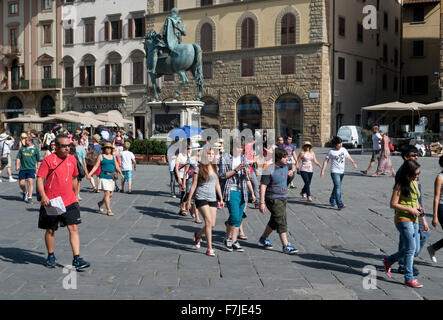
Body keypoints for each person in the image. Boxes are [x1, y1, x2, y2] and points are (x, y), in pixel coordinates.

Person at [36, 134, 90, 270]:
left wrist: (76, 196)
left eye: (69, 146)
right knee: (50, 230)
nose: (67, 148)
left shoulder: (72, 159)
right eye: (64, 146)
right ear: (56, 146)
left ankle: (77, 258)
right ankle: (51, 255)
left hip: (70, 200)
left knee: (74, 228)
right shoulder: (49, 160)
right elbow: (40, 179)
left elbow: (75, 178)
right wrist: (43, 196)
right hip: (52, 201)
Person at [383, 160, 425, 288]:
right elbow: (392, 204)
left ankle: (389, 260)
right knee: (411, 249)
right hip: (402, 219)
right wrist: (409, 209)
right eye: (415, 174)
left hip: (415, 219)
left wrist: (423, 218)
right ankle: (409, 278)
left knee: (415, 249)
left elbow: (416, 200)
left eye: (418, 173)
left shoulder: (414, 183)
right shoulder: (400, 185)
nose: (417, 176)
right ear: (408, 173)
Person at [395, 145, 429, 275]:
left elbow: (416, 191)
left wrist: (420, 205)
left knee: (411, 238)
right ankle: (404, 263)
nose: (416, 157)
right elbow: (399, 197)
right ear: (405, 157)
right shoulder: (403, 173)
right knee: (413, 239)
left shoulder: (414, 170)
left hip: (417, 209)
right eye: (413, 155)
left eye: (417, 155)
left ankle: (403, 261)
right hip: (408, 212)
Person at [258, 147, 298, 254]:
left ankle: (263, 238)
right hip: (272, 198)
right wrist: (261, 202)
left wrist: (292, 171)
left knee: (275, 220)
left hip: (283, 197)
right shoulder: (268, 169)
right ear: (278, 158)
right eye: (284, 157)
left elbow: (294, 166)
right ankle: (285, 245)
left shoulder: (286, 166)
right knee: (281, 220)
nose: (287, 159)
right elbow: (263, 186)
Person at [219, 142, 256, 252]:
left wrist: (252, 193)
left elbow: (247, 178)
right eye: (238, 147)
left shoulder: (243, 158)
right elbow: (222, 175)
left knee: (239, 218)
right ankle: (227, 238)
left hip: (243, 191)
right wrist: (236, 169)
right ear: (233, 147)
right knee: (234, 216)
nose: (240, 150)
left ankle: (234, 241)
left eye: (241, 148)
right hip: (231, 190)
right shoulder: (224, 158)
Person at [187, 147, 224, 256]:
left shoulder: (214, 167)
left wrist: (221, 198)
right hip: (201, 196)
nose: (211, 156)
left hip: (212, 197)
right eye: (209, 154)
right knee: (208, 222)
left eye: (212, 154)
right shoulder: (199, 168)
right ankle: (209, 248)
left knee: (212, 224)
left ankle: (198, 235)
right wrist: (189, 201)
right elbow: (194, 185)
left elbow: (217, 184)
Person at [321, 136, 357, 210]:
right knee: (338, 187)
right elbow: (326, 161)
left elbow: (348, 156)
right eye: (338, 144)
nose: (340, 145)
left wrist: (353, 162)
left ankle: (331, 199)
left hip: (342, 172)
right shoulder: (331, 151)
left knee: (336, 187)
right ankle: (339, 203)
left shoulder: (343, 150)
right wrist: (323, 170)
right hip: (334, 172)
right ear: (335, 144)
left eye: (341, 143)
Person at [87, 142, 124, 216]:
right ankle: (109, 210)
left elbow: (116, 166)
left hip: (112, 177)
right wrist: (90, 174)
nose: (109, 149)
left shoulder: (113, 157)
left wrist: (121, 173)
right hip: (103, 176)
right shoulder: (101, 156)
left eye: (110, 148)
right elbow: (96, 166)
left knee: (110, 194)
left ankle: (101, 203)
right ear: (104, 149)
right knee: (107, 193)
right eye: (107, 148)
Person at [427, 155, 443, 264]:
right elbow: (436, 197)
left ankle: (433, 248)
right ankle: (433, 248)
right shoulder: (440, 177)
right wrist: (435, 216)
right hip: (442, 208)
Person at [16, 136, 41, 203]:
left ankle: (30, 197)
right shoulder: (22, 148)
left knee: (30, 182)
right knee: (21, 184)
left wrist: (37, 168)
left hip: (31, 168)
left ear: (30, 141)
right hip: (23, 168)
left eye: (26, 140)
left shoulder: (35, 149)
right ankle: (25, 192)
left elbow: (38, 160)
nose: (24, 141)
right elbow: (18, 157)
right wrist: (17, 165)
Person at [182, 143, 202, 223]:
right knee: (187, 194)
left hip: (199, 180)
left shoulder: (202, 159)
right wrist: (183, 183)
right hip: (190, 180)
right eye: (198, 150)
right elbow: (185, 172)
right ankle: (184, 206)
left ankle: (197, 216)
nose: (199, 151)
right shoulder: (190, 159)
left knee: (196, 198)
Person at [244, 137, 260, 209]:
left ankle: (257, 202)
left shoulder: (251, 147)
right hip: (246, 170)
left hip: (251, 169)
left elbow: (255, 160)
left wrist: (256, 168)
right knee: (247, 187)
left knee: (256, 185)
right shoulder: (246, 147)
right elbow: (245, 160)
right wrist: (253, 161)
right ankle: (245, 203)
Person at [175, 145, 190, 216]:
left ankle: (183, 207)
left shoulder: (189, 156)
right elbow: (176, 168)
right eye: (187, 149)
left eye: (189, 149)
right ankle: (182, 208)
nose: (189, 150)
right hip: (181, 175)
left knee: (188, 192)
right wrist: (178, 178)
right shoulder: (180, 156)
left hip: (188, 176)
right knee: (183, 192)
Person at [73, 136, 88, 201]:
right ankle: (74, 193)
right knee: (73, 181)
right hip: (73, 166)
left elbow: (84, 159)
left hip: (79, 166)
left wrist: (85, 167)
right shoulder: (71, 148)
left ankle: (77, 193)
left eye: (73, 140)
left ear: (77, 141)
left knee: (78, 181)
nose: (72, 141)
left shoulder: (81, 148)